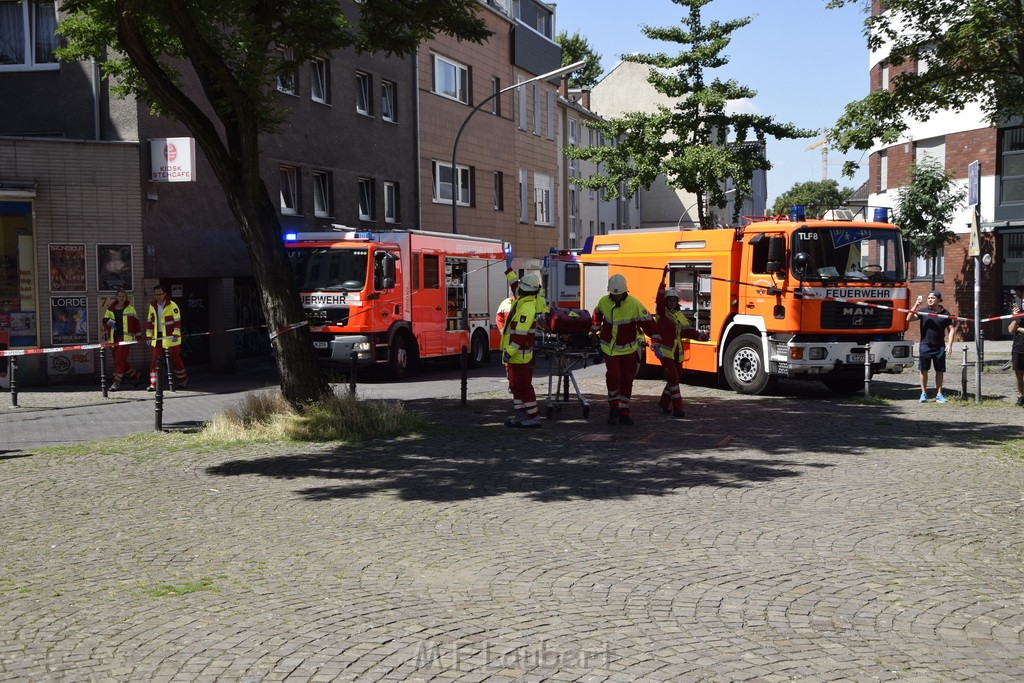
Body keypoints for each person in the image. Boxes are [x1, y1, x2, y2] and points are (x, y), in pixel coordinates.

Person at [590, 274, 661, 426]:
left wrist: (655, 339)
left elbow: (648, 322)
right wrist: (593, 332)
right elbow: (596, 316)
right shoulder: (603, 302)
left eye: (618, 294)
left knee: (627, 380)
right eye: (613, 294)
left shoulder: (634, 304)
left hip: (628, 349)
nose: (615, 297)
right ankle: (613, 409)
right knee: (613, 376)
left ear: (624, 292)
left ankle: (624, 412)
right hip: (610, 349)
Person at [500, 269, 545, 428]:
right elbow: (514, 285)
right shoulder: (524, 297)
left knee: (524, 386)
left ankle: (533, 416)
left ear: (526, 289)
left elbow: (520, 334)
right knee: (515, 386)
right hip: (515, 354)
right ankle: (520, 414)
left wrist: (509, 352)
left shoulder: (527, 307)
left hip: (519, 354)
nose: (518, 288)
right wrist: (508, 269)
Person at [652, 268, 695, 418]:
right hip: (665, 352)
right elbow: (659, 297)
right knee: (674, 379)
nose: (671, 302)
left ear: (677, 301)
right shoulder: (662, 314)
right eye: (669, 300)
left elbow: (687, 330)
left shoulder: (678, 315)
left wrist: (701, 336)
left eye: (674, 300)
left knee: (675, 379)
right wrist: (663, 279)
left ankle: (664, 403)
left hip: (677, 352)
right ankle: (678, 409)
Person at [906, 290, 956, 403]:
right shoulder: (923, 311)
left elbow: (951, 329)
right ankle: (924, 393)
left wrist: (950, 344)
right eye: (928, 297)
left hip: (939, 346)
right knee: (923, 370)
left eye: (932, 298)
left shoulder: (945, 313)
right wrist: (916, 304)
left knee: (939, 371)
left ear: (939, 300)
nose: (929, 299)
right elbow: (909, 318)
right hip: (925, 345)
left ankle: (939, 394)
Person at [146, 284, 188, 390]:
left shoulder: (172, 305)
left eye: (160, 294)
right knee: (155, 360)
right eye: (156, 294)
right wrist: (149, 336)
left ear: (164, 294)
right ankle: (153, 384)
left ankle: (183, 381)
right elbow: (150, 322)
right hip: (157, 338)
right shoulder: (152, 306)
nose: (158, 296)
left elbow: (177, 322)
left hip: (171, 338)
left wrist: (176, 334)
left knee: (175, 360)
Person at [103, 288, 142, 391]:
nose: (121, 298)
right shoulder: (110, 309)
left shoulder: (131, 309)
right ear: (116, 297)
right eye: (119, 296)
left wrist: (139, 338)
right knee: (119, 360)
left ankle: (116, 382)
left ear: (126, 297)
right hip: (113, 338)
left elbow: (136, 324)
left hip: (125, 339)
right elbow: (104, 322)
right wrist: (109, 323)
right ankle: (135, 375)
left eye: (123, 296)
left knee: (119, 360)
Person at [1009, 286, 1024, 407]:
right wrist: (1015, 318)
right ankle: (1022, 395)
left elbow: (1017, 330)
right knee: (1019, 374)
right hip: (1018, 347)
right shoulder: (1020, 314)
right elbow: (1011, 329)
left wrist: (1019, 329)